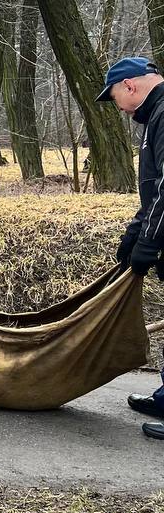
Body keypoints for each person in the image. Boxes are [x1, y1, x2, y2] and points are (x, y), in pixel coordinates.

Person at [97, 56, 164, 440]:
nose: (118, 106)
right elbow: (154, 190)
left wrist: (150, 241)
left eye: (115, 96)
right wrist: (135, 233)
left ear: (131, 86)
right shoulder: (156, 116)